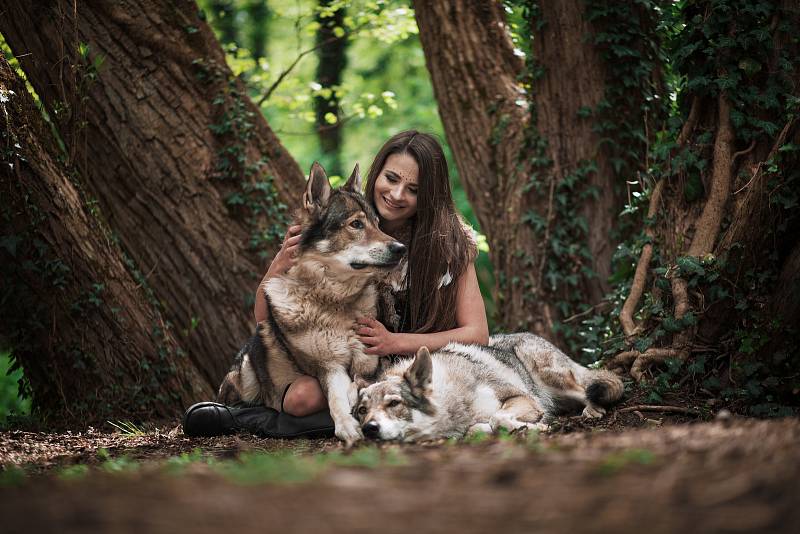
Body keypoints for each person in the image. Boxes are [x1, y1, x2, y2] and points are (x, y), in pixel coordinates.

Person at [182, 130, 488, 437]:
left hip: (414, 372)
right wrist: (279, 264)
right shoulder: (336, 218)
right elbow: (266, 317)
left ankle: (251, 422)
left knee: (347, 399)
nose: (396, 194)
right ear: (377, 173)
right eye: (391, 178)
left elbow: (477, 334)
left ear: (429, 196)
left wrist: (396, 342)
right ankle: (264, 417)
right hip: (343, 365)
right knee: (306, 396)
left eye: (413, 189)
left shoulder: (451, 244)